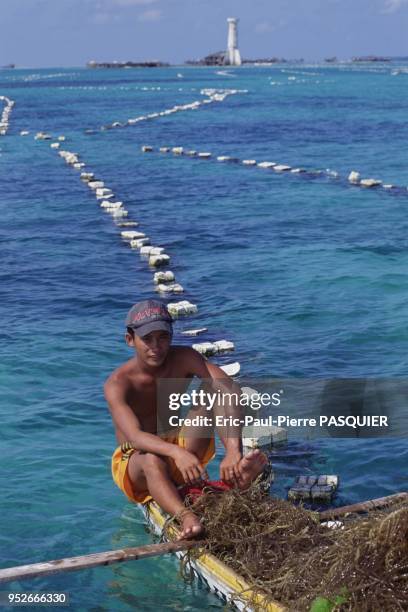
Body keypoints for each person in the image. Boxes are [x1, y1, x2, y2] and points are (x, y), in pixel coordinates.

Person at [105, 299, 267, 539]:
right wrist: (177, 454)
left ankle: (235, 475)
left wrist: (233, 450)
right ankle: (185, 516)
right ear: (130, 340)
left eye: (163, 337)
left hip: (178, 448)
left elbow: (229, 389)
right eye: (147, 339)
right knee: (151, 460)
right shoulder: (118, 384)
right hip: (137, 462)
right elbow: (136, 438)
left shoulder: (183, 358)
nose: (156, 347)